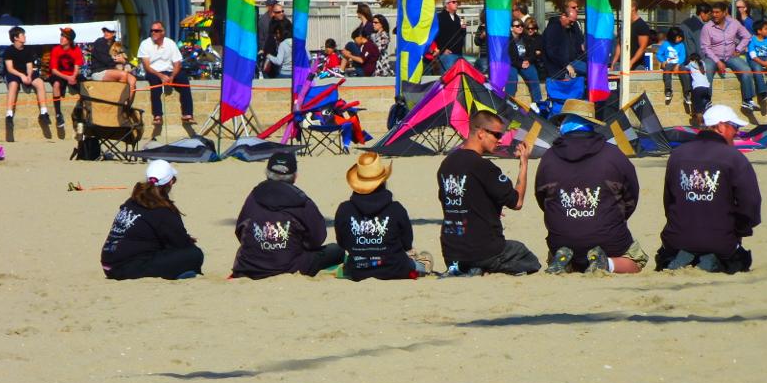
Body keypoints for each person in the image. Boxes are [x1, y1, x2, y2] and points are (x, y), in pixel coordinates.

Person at [534, 99, 648, 275]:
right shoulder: (614, 155)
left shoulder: (549, 157)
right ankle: (605, 263)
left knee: (563, 251)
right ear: (591, 125)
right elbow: (631, 196)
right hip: (609, 240)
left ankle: (564, 261)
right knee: (637, 260)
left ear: (565, 124)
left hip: (561, 240)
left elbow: (542, 199)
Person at [656, 104, 762, 273]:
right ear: (721, 127)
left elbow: (668, 202)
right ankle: (711, 259)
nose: (737, 132)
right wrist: (740, 230)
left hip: (676, 239)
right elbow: (751, 204)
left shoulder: (677, 155)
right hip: (720, 241)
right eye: (734, 127)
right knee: (741, 259)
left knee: (666, 254)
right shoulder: (735, 158)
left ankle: (686, 256)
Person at [437, 110, 541, 276]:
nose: (500, 140)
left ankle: (475, 267)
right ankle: (483, 266)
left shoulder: (446, 164)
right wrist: (524, 163)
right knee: (526, 257)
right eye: (497, 135)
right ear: (481, 133)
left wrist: (491, 207)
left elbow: (456, 200)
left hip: (452, 254)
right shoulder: (483, 167)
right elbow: (517, 202)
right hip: (484, 250)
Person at [231, 152, 344, 279]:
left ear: (267, 172)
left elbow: (240, 231)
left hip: (249, 266)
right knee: (336, 250)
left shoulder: (253, 197)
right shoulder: (301, 201)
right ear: (295, 176)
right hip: (288, 267)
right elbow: (317, 238)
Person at [334, 152, 434, 281]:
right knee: (426, 258)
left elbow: (343, 243)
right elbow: (407, 244)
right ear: (383, 181)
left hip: (359, 270)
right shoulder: (396, 209)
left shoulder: (344, 210)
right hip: (396, 268)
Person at [100, 159, 204, 280]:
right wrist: (188, 240)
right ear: (171, 182)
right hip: (125, 267)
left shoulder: (133, 201)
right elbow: (181, 243)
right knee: (195, 254)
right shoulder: (162, 210)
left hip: (108, 263)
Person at [700, 0, 757, 113]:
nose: (714, 15)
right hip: (713, 57)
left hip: (730, 56)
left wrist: (738, 49)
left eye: (717, 12)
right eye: (713, 12)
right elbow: (705, 47)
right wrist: (717, 62)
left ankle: (747, 100)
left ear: (724, 12)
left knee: (746, 69)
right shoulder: (707, 27)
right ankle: (706, 101)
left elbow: (747, 36)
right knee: (707, 70)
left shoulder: (734, 23)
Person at [137, 20, 195, 125]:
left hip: (169, 71)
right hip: (154, 71)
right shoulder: (145, 44)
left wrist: (172, 77)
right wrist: (161, 76)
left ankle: (187, 114)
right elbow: (147, 67)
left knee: (184, 80)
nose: (153, 33)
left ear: (163, 32)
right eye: (152, 30)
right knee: (155, 84)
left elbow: (177, 63)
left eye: (156, 30)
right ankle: (157, 115)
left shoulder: (170, 43)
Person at [3, 25, 50, 141]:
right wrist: (21, 76)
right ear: (16, 38)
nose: (25, 36)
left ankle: (44, 113)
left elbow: (29, 66)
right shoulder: (9, 50)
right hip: (14, 72)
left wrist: (28, 76)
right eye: (22, 35)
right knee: (13, 85)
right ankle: (9, 115)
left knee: (39, 82)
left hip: (26, 73)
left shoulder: (28, 49)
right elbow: (10, 68)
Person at [47, 27, 83, 129]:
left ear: (70, 40)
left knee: (86, 87)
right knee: (56, 84)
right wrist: (68, 78)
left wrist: (73, 77)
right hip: (59, 74)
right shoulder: (56, 49)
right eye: (61, 35)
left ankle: (80, 110)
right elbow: (54, 70)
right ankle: (58, 114)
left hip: (71, 74)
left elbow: (77, 67)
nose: (61, 38)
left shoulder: (76, 50)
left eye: (65, 36)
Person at [542, 0, 586, 79]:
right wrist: (566, 65)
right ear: (563, 15)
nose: (577, 9)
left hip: (574, 60)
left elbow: (580, 45)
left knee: (594, 69)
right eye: (573, 7)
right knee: (591, 71)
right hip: (560, 64)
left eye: (577, 7)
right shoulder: (554, 27)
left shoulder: (574, 25)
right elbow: (551, 52)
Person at [90, 26, 138, 94]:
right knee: (123, 74)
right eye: (104, 31)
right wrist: (120, 61)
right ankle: (119, 99)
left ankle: (127, 100)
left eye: (108, 31)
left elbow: (124, 59)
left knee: (133, 80)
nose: (106, 33)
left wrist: (124, 62)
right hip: (99, 71)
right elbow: (107, 61)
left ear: (114, 33)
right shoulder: (99, 42)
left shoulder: (116, 44)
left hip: (113, 70)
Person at [509, 17, 544, 106]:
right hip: (513, 63)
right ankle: (509, 101)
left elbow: (532, 53)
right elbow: (508, 57)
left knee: (533, 73)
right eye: (517, 26)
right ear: (511, 28)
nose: (520, 27)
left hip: (524, 62)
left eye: (521, 25)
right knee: (512, 77)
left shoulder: (525, 38)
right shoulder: (508, 40)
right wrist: (520, 64)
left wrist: (528, 61)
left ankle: (538, 102)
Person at [611, 0, 651, 70]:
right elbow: (619, 44)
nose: (622, 8)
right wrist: (613, 62)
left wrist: (631, 62)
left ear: (633, 7)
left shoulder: (641, 25)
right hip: (620, 64)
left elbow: (642, 47)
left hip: (637, 66)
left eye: (625, 5)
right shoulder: (623, 24)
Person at [658, 26, 691, 110]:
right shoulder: (665, 44)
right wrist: (663, 61)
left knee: (684, 72)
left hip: (679, 63)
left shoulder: (681, 45)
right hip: (669, 63)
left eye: (681, 37)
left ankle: (687, 93)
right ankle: (668, 90)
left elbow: (683, 56)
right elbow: (659, 54)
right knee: (666, 71)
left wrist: (678, 65)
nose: (680, 39)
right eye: (678, 37)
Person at [434, 0, 467, 72]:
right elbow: (436, 35)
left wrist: (463, 29)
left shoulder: (457, 18)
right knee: (448, 76)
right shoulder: (439, 17)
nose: (456, 4)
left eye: (457, 2)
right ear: (446, 4)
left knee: (458, 76)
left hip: (458, 53)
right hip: (447, 54)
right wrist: (442, 50)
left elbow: (461, 36)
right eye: (454, 2)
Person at [686, 54, 712, 124]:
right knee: (705, 108)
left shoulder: (691, 64)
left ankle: (701, 125)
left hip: (698, 88)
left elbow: (684, 68)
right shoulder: (703, 63)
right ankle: (708, 124)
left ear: (691, 59)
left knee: (698, 110)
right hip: (706, 87)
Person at [473, 8, 489, 74]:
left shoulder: (495, 27)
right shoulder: (481, 28)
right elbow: (476, 42)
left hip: (494, 55)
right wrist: (481, 36)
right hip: (484, 55)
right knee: (484, 74)